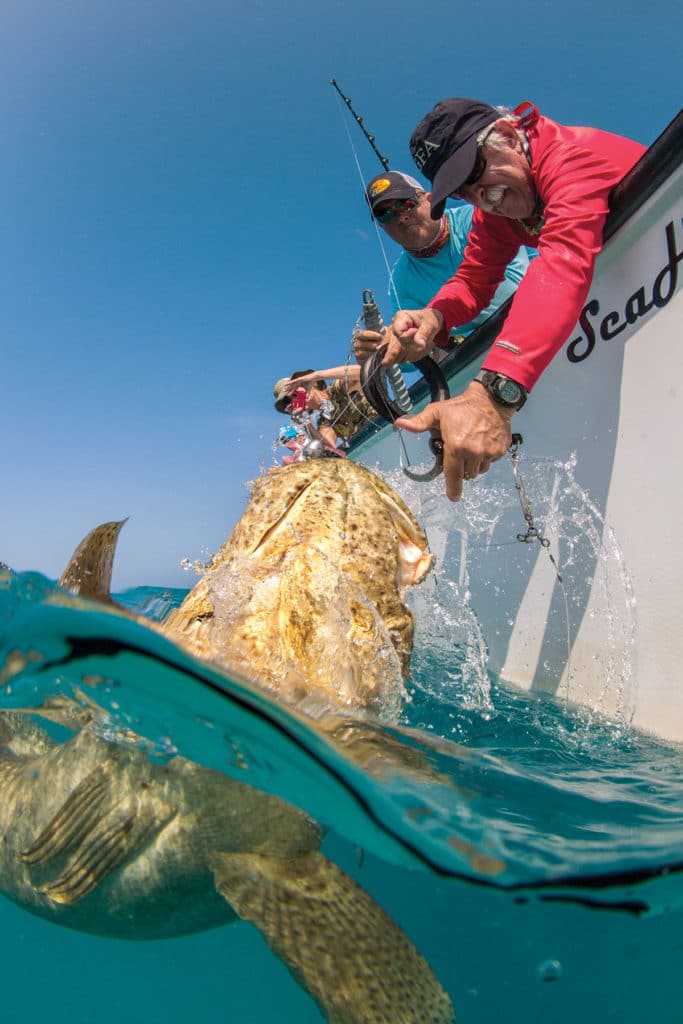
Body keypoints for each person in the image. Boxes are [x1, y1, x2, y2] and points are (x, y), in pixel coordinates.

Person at [376, 98, 646, 501]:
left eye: (475, 171)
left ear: (507, 135)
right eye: (464, 190)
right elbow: (473, 281)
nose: (483, 196)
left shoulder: (570, 156)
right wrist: (435, 317)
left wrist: (493, 394)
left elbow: (561, 263)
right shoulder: (497, 215)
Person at [354, 170, 533, 363]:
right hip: (479, 356)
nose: (401, 217)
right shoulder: (400, 281)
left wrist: (435, 319)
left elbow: (510, 288)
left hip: (534, 315)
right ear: (381, 227)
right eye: (385, 215)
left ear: (430, 199)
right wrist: (383, 348)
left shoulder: (479, 217)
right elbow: (412, 356)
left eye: (406, 204)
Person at [273, 367, 375, 447]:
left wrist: (316, 376)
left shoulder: (338, 389)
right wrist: (305, 423)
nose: (293, 398)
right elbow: (328, 452)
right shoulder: (325, 423)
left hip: (386, 422)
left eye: (295, 390)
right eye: (287, 400)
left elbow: (363, 372)